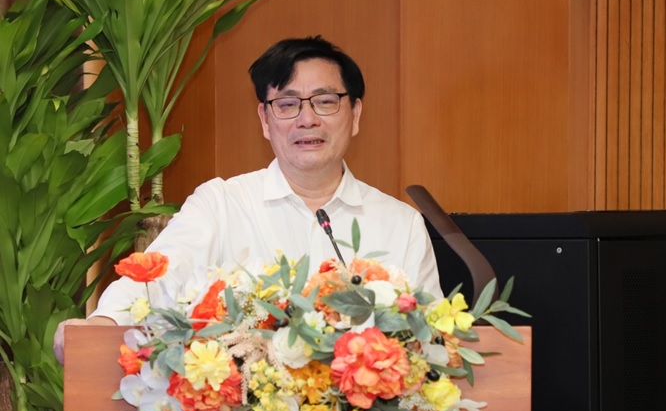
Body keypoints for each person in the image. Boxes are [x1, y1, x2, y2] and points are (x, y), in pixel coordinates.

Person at [53, 35, 442, 363]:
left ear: (355, 113)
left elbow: (434, 344)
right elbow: (157, 278)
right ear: (264, 120)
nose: (307, 119)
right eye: (287, 104)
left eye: (325, 101)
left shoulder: (400, 225)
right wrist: (102, 325)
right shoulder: (221, 205)